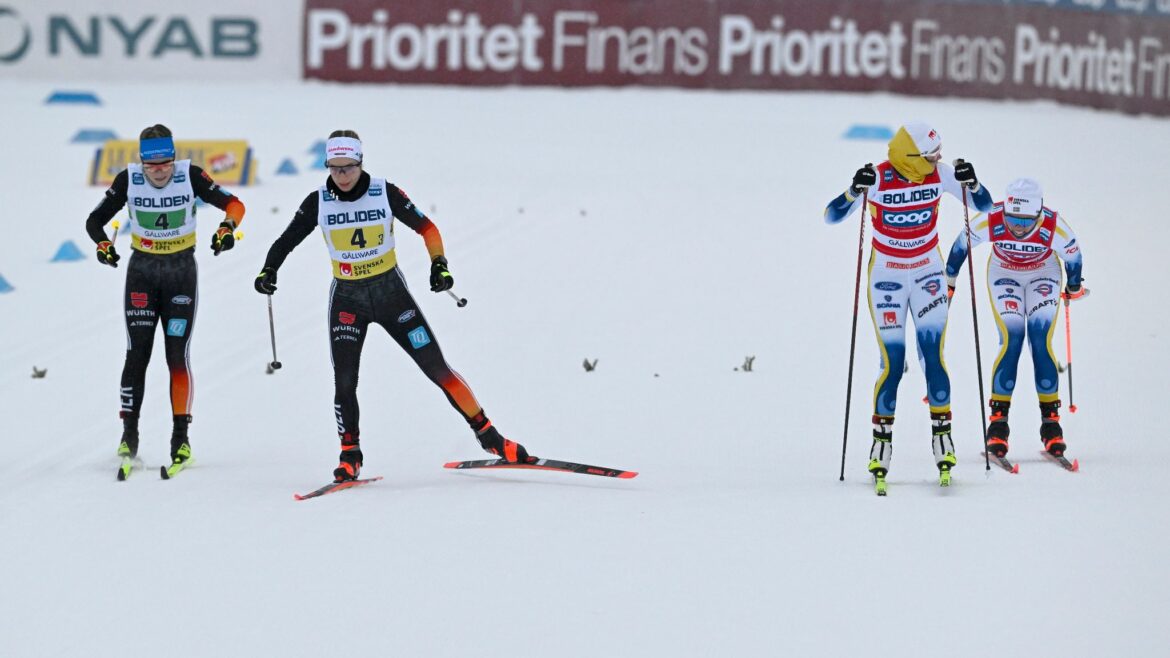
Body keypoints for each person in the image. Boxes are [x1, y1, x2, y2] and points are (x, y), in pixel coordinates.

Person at [254, 130, 529, 482]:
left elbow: (427, 228)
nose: (342, 176)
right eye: (334, 169)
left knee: (436, 368)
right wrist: (268, 270)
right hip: (348, 301)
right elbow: (285, 240)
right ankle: (350, 454)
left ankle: (490, 437)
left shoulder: (384, 191)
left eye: (348, 168)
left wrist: (438, 263)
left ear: (361, 162)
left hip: (391, 296)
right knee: (344, 381)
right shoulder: (318, 200)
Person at [824, 121, 993, 487]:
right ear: (912, 157)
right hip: (886, 277)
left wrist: (973, 183)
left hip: (927, 273)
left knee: (934, 355)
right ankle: (880, 444)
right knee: (894, 363)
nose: (939, 161)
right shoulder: (880, 179)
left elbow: (986, 206)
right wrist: (855, 191)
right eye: (932, 156)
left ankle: (942, 436)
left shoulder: (939, 174)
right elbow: (832, 215)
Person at [85, 124, 246, 475]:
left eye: (165, 163)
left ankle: (181, 441)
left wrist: (226, 229)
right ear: (142, 161)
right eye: (152, 165)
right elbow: (94, 220)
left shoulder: (190, 174)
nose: (159, 171)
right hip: (142, 271)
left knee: (177, 355)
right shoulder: (129, 179)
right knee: (137, 354)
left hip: (180, 274)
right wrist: (103, 244)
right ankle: (129, 436)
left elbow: (234, 205)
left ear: (174, 158)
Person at [944, 177, 1086, 459]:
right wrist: (950, 279)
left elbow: (1073, 254)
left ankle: (1051, 424)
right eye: (1012, 219)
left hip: (1043, 273)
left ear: (1039, 212)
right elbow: (961, 245)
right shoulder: (991, 219)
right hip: (1004, 274)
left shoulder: (1054, 226)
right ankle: (998, 424)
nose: (1018, 227)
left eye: (1025, 220)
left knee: (1040, 338)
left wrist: (1073, 285)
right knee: (1012, 338)